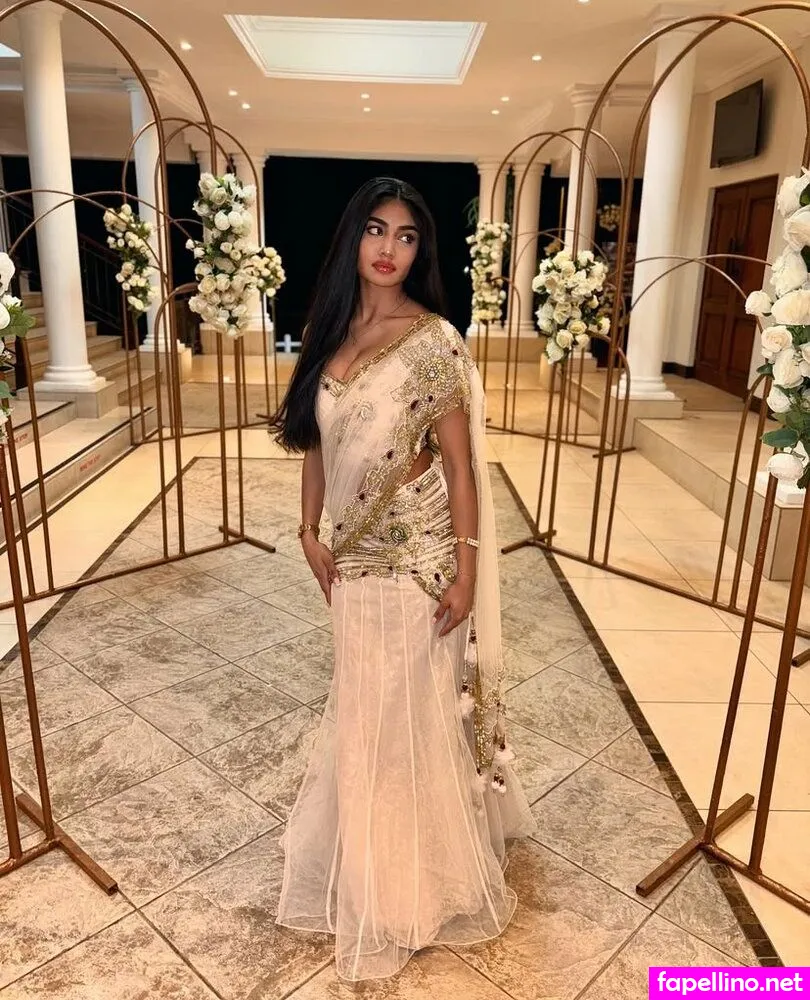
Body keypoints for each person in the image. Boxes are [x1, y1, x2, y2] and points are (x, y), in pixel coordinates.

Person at [271, 177, 535, 982]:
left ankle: (408, 889)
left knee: (404, 717)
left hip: (417, 565)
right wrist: (307, 529)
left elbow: (460, 465)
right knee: (362, 713)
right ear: (353, 238)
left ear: (422, 251)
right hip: (348, 567)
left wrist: (467, 568)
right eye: (377, 230)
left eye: (407, 236)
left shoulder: (433, 342)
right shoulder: (328, 329)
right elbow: (314, 440)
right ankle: (365, 861)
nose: (389, 248)